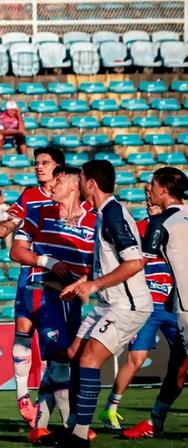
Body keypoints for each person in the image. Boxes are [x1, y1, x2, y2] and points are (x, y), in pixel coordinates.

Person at [57, 160, 152, 447]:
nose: (78, 183)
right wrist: (84, 280)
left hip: (127, 306)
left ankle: (80, 435)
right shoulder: (103, 213)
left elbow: (135, 262)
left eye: (81, 178)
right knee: (74, 352)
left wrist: (94, 284)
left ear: (91, 184)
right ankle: (73, 424)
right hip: (107, 303)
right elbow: (108, 262)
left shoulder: (113, 213)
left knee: (88, 359)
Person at [0, 145, 64, 426]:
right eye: (37, 162)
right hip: (32, 277)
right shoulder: (29, 195)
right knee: (23, 337)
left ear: (59, 167)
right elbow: (6, 227)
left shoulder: (71, 196)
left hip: (63, 281)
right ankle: (23, 397)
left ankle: (66, 420)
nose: (39, 167)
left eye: (45, 162)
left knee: (58, 352)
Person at [10, 166, 96, 443]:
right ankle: (67, 424)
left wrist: (86, 281)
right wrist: (48, 261)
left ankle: (42, 425)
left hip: (71, 300)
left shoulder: (94, 220)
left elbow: (96, 263)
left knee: (62, 362)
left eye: (58, 181)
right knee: (59, 360)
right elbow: (16, 251)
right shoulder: (39, 212)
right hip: (42, 291)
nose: (51, 185)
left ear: (74, 185)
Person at [99, 197, 176, 431]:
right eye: (146, 197)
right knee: (136, 359)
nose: (149, 201)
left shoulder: (176, 226)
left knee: (182, 362)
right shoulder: (138, 227)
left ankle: (157, 417)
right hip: (149, 305)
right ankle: (110, 408)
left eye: (152, 196)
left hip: (174, 304)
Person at [122, 167, 188, 440]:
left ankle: (155, 421)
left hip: (185, 307)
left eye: (152, 186)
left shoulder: (160, 224)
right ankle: (156, 421)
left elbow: (139, 263)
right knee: (178, 366)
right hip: (179, 304)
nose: (149, 191)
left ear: (162, 189)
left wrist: (97, 283)